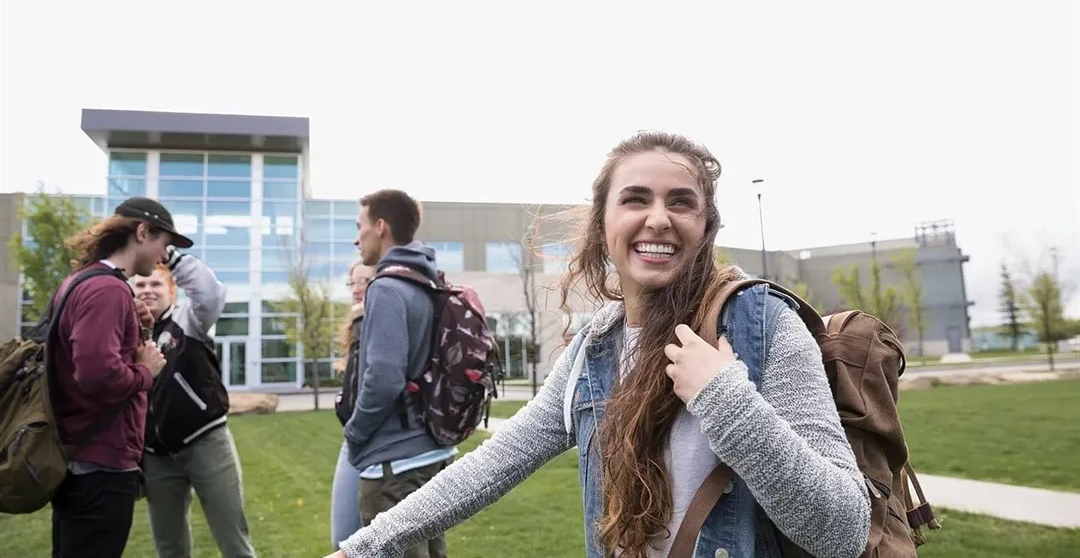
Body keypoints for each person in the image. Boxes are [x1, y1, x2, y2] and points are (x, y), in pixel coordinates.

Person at [326, 132, 871, 558]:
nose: (658, 218)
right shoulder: (596, 349)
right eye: (636, 199)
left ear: (705, 227)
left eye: (681, 203)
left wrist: (729, 403)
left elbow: (843, 531)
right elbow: (489, 466)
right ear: (603, 222)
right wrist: (365, 545)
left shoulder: (764, 325)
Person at [50, 197, 187, 558]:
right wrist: (146, 372)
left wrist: (134, 328)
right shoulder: (108, 289)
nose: (163, 256)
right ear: (143, 232)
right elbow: (96, 376)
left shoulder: (80, 281)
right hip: (100, 464)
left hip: (77, 458)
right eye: (163, 244)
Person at [342, 189, 457, 558]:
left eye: (360, 227)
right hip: (430, 451)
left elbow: (384, 378)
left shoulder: (387, 288)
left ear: (380, 226)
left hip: (395, 465)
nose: (356, 237)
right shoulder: (425, 279)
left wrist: (355, 433)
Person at [132, 246, 256, 558]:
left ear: (172, 290)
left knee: (234, 542)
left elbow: (211, 293)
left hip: (206, 442)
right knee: (169, 547)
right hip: (156, 455)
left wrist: (169, 255)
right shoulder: (127, 336)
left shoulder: (188, 320)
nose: (148, 290)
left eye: (156, 284)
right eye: (141, 285)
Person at [330, 260, 375, 549]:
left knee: (372, 543)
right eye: (353, 283)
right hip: (355, 439)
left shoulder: (377, 325)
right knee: (343, 542)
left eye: (365, 282)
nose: (357, 290)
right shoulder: (355, 327)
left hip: (379, 442)